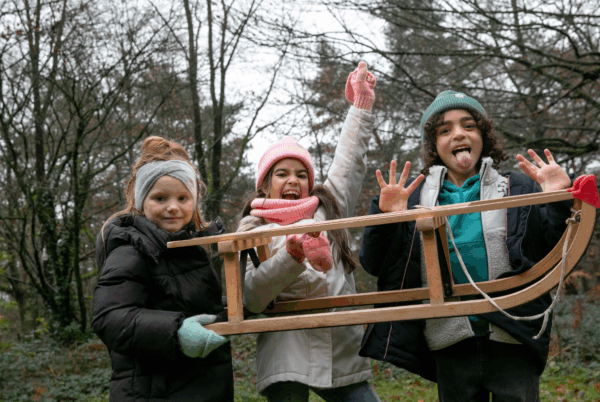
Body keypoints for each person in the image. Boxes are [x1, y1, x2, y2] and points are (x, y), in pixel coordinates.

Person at [359, 90, 573, 401]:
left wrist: (558, 199)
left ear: (483, 136)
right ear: (434, 145)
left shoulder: (517, 188)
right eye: (444, 130)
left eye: (468, 125)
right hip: (448, 340)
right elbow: (374, 263)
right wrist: (386, 218)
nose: (458, 134)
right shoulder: (413, 200)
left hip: (514, 335)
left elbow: (553, 249)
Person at [236, 62, 381, 402]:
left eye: (301, 175)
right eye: (282, 173)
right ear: (265, 186)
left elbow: (349, 164)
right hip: (286, 353)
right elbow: (251, 297)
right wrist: (291, 256)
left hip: (340, 350)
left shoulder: (327, 209)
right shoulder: (252, 228)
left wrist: (361, 106)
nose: (293, 180)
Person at [92, 136, 233, 402]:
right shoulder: (132, 251)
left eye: (183, 197)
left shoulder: (190, 248)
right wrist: (177, 332)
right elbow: (109, 316)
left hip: (201, 386)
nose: (173, 207)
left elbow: (187, 304)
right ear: (141, 201)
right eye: (160, 198)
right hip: (154, 391)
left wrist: (233, 308)